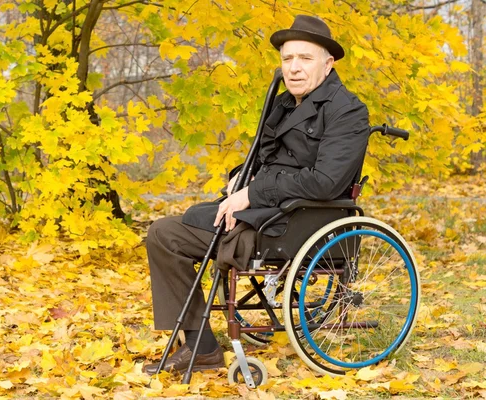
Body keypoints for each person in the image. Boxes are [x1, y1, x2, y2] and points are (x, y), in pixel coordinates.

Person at [143, 15, 370, 375]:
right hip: (263, 212)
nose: (294, 68)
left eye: (305, 59)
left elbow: (325, 182)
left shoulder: (348, 111)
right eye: (287, 59)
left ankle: (202, 346)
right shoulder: (282, 105)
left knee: (213, 236)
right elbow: (262, 159)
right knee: (165, 233)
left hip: (300, 221)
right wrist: (239, 182)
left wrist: (253, 194)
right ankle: (201, 347)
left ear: (328, 64)